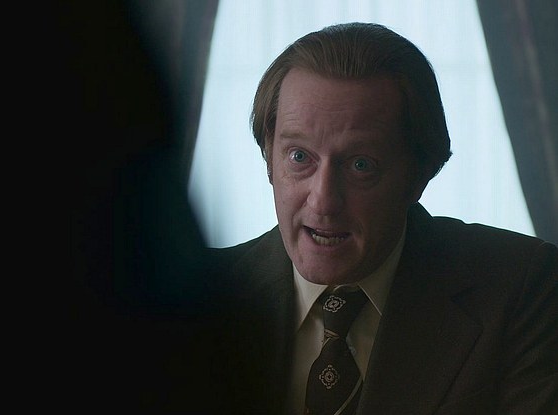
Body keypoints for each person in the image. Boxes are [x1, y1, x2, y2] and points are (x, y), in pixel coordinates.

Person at [204, 22, 558, 414]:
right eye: (300, 157)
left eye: (361, 165)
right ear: (269, 160)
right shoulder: (193, 299)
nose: (324, 202)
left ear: (419, 174)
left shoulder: (520, 288)